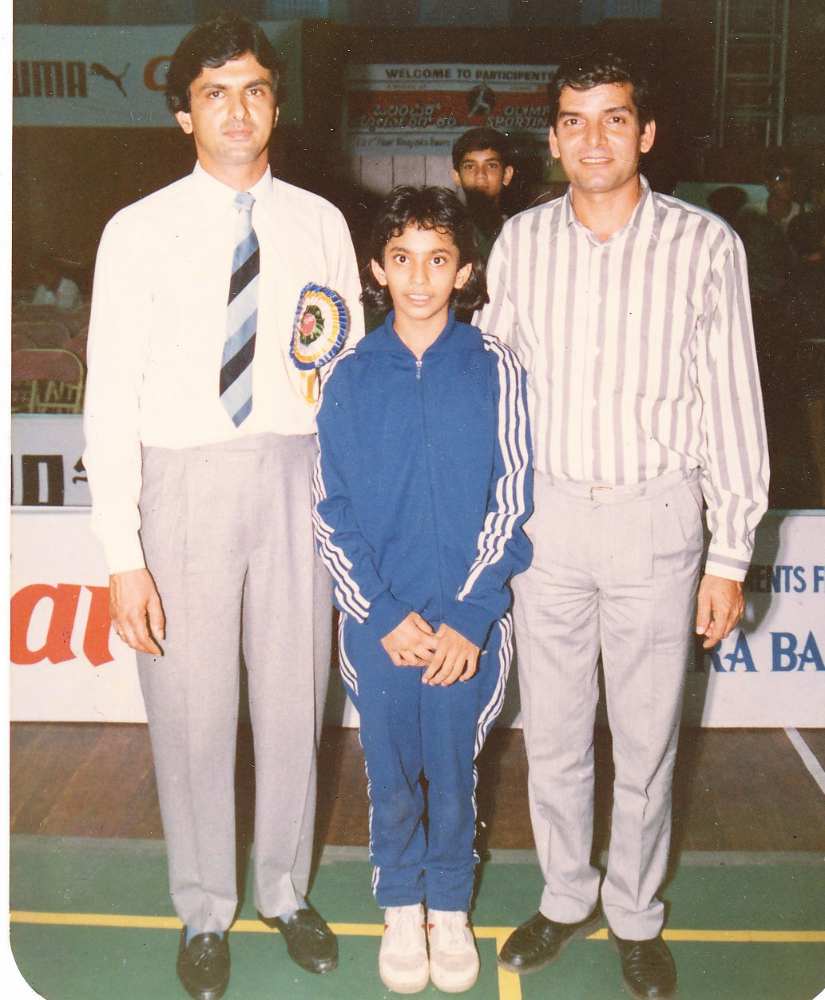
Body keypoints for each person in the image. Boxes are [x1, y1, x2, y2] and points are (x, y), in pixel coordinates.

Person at [82, 12, 363, 1000]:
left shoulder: (321, 223)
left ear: (276, 104)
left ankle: (286, 890)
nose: (235, 109)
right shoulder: (139, 231)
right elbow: (108, 395)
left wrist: (352, 509)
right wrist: (124, 553)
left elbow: (350, 379)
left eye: (252, 89)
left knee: (295, 703)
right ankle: (205, 906)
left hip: (297, 476)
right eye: (213, 93)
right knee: (193, 715)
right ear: (183, 116)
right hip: (186, 480)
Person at [476, 52, 768, 1000]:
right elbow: (496, 389)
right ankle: (566, 896)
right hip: (547, 521)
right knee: (554, 734)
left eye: (612, 119)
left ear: (645, 132)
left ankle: (635, 910)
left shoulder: (705, 244)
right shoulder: (518, 241)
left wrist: (729, 556)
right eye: (572, 120)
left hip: (655, 521)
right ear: (551, 137)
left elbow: (732, 404)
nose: (591, 138)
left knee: (644, 742)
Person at [313, 185, 532, 994]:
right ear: (377, 268)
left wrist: (471, 617)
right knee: (390, 768)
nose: (418, 277)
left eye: (437, 260)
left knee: (453, 766)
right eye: (401, 259)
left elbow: (512, 501)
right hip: (381, 622)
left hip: (464, 625)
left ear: (463, 271)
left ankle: (449, 905)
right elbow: (330, 510)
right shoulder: (349, 373)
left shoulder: (493, 365)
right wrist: (380, 611)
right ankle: (400, 904)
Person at [451, 127, 514, 263]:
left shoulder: (519, 232)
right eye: (470, 166)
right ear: (457, 176)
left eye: (491, 166)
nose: (480, 175)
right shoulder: (447, 232)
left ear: (507, 175)